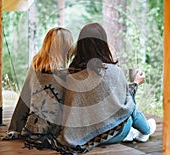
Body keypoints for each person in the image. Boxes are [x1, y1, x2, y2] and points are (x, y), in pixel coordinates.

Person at [54, 23, 156, 154]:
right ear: (103, 44)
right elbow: (125, 104)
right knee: (129, 107)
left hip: (82, 135)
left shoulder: (70, 74)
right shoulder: (114, 71)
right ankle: (145, 131)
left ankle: (137, 132)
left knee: (125, 106)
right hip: (113, 135)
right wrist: (135, 83)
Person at [2, 27, 74, 149]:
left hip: (31, 125)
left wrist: (16, 126)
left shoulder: (36, 65)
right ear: (65, 47)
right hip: (54, 130)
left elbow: (25, 97)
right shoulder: (66, 74)